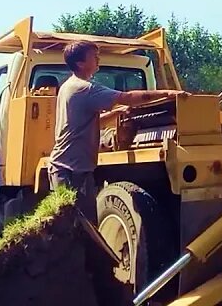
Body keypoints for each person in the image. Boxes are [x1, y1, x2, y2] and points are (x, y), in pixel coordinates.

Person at [48, 39, 187, 220]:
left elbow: (87, 123)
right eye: (94, 57)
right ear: (80, 63)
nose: (98, 60)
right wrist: (169, 94)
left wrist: (118, 113)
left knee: (77, 226)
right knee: (80, 227)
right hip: (71, 171)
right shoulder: (84, 89)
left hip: (67, 167)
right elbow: (128, 97)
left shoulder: (68, 86)